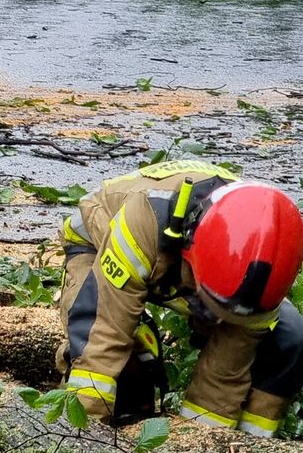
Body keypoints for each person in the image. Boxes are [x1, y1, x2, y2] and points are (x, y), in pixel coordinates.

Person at [57, 159, 303, 436]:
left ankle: (251, 447)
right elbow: (103, 341)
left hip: (209, 276)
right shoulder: (143, 221)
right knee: (118, 366)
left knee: (289, 335)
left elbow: (222, 378)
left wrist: (205, 445)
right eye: (214, 308)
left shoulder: (265, 270)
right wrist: (79, 442)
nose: (218, 319)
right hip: (98, 241)